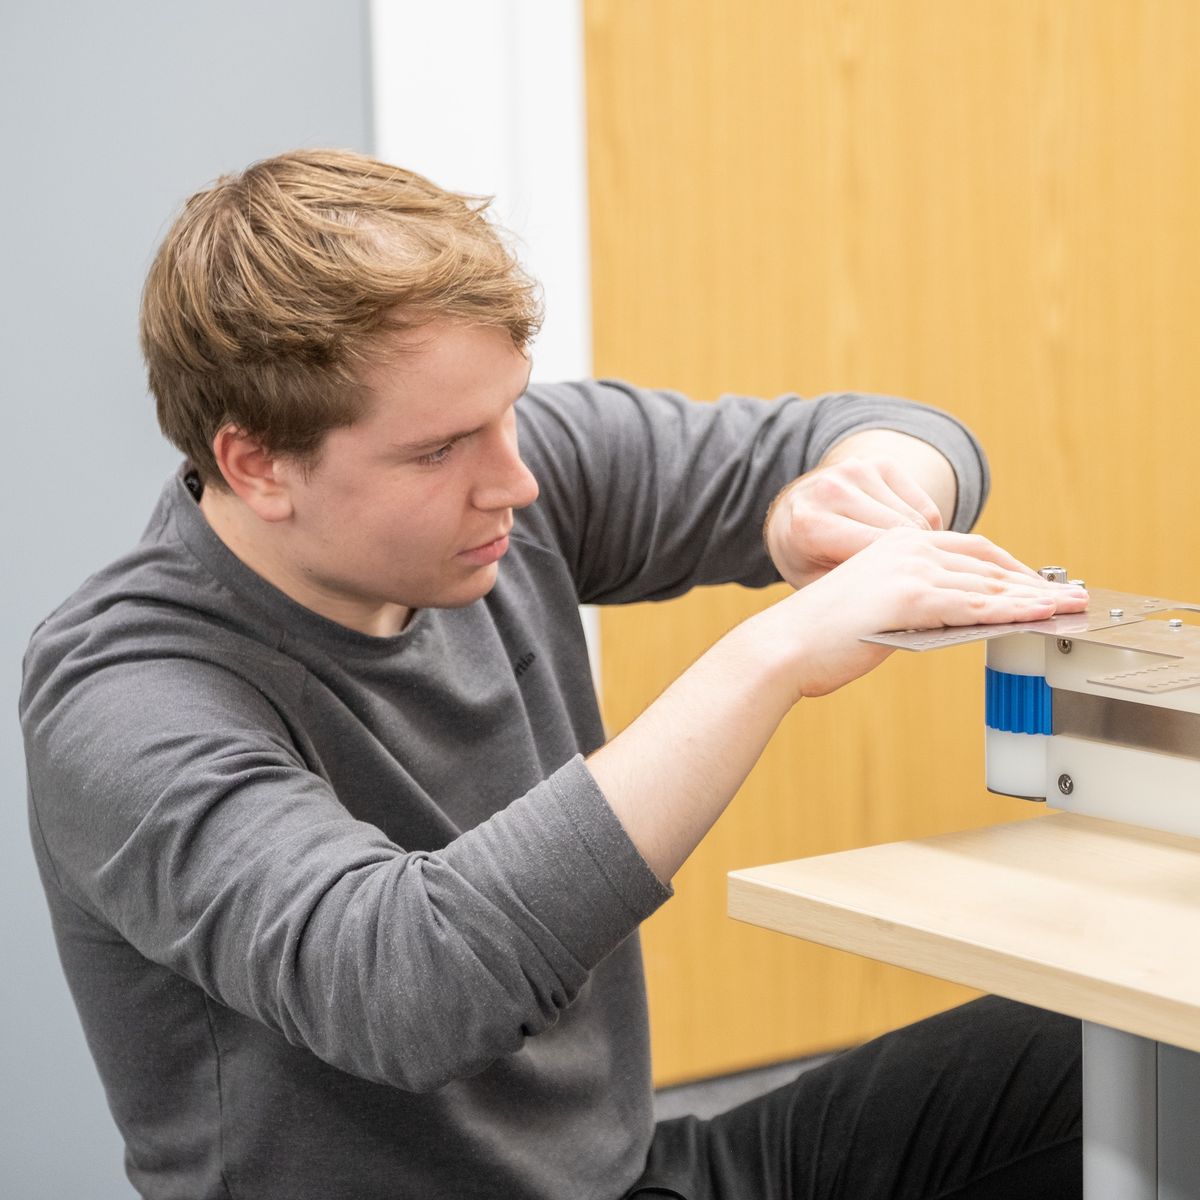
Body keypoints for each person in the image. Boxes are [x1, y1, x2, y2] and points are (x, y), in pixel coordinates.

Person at [20, 149, 1086, 1200]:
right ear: (256, 465)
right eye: (437, 451)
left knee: (1118, 1054)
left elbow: (890, 434)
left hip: (636, 1176)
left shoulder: (508, 488)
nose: (515, 478)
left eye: (510, 411)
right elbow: (408, 990)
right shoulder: (123, 696)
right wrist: (772, 656)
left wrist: (856, 491)